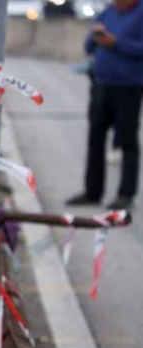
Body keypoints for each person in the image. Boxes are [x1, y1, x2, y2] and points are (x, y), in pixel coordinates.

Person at [65, 0, 143, 211]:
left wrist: (115, 42)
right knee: (95, 140)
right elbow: (89, 46)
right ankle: (92, 191)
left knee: (127, 142)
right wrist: (96, 35)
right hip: (101, 84)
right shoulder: (108, 12)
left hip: (129, 87)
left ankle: (126, 194)